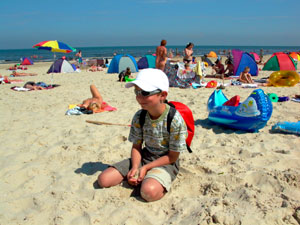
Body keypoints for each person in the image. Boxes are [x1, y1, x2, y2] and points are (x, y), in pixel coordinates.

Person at [97, 68, 188, 202]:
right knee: (103, 180)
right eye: (137, 92)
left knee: (148, 192)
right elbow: (136, 146)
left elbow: (172, 157)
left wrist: (145, 168)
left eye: (145, 93)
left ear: (162, 95)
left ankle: (151, 180)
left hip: (166, 162)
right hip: (145, 156)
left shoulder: (174, 119)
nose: (139, 97)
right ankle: (144, 177)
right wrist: (135, 167)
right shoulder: (140, 116)